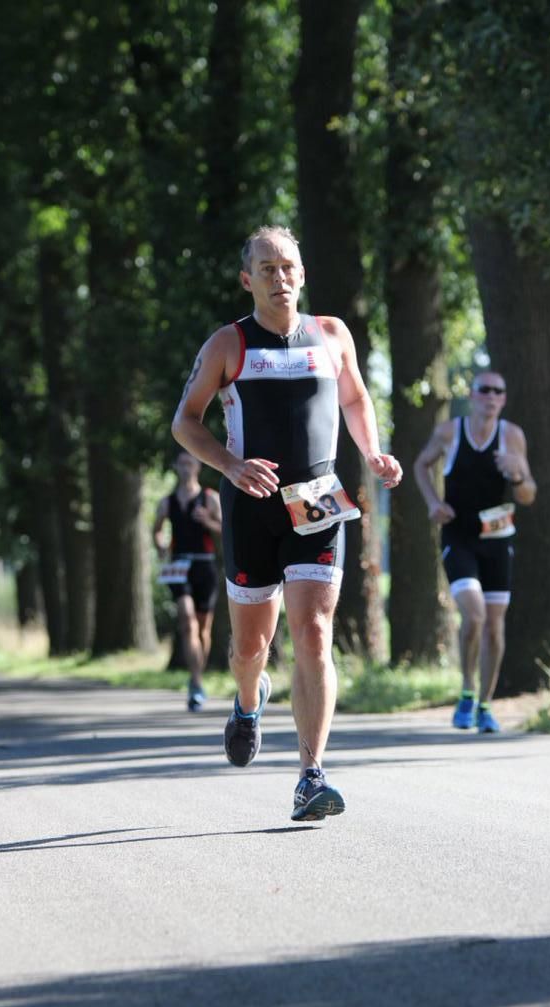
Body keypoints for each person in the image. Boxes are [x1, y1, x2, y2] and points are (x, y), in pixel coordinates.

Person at [171, 224, 402, 821]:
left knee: (315, 632)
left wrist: (373, 452)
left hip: (319, 503)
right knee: (252, 647)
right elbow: (185, 423)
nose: (280, 278)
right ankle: (249, 703)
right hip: (250, 508)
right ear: (248, 280)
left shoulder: (332, 335)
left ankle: (311, 774)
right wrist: (230, 464)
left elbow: (354, 399)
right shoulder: (229, 343)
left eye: (289, 267)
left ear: (303, 274)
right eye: (267, 269)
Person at [414, 370, 537, 733]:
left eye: (498, 391)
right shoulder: (450, 432)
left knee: (495, 628)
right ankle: (467, 690)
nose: (491, 396)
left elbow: (527, 494)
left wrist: (517, 476)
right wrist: (433, 503)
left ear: (504, 398)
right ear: (472, 394)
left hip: (498, 540)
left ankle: (484, 704)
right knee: (475, 613)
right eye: (484, 390)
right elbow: (422, 465)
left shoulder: (512, 436)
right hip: (459, 536)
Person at [153, 450, 222, 711]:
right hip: (179, 565)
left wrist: (209, 522)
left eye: (190, 463)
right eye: (181, 463)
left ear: (198, 467)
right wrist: (160, 546)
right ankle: (194, 681)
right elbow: (157, 530)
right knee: (187, 621)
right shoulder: (167, 502)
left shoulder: (209, 498)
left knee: (203, 629)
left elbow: (225, 530)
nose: (185, 468)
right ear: (175, 467)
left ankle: (198, 677)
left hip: (204, 565)